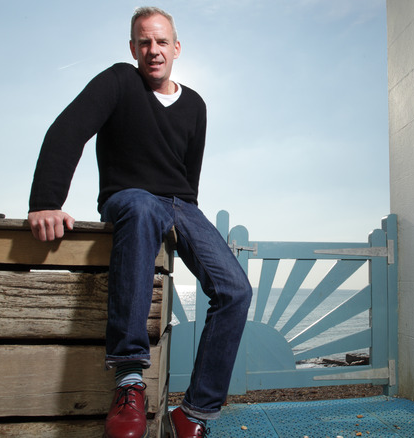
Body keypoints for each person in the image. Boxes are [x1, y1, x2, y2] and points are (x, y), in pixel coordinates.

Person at [27, 7, 252, 438]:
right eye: (144, 42)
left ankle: (194, 413)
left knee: (235, 290)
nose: (153, 50)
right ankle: (129, 380)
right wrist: (45, 202)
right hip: (129, 198)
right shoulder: (117, 81)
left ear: (176, 48)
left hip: (180, 204)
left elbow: (190, 176)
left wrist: (187, 225)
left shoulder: (196, 105)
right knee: (144, 208)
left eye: (161, 42)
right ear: (133, 48)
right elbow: (67, 130)